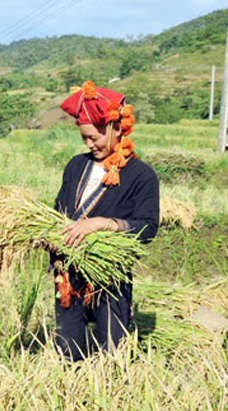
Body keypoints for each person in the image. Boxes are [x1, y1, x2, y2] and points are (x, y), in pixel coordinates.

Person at [51, 80, 159, 361]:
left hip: (110, 277)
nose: (89, 143)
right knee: (69, 353)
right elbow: (59, 210)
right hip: (69, 276)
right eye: (84, 137)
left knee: (112, 353)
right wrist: (50, 237)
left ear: (116, 128)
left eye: (94, 138)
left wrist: (103, 223)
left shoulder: (141, 175)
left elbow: (148, 226)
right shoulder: (77, 165)